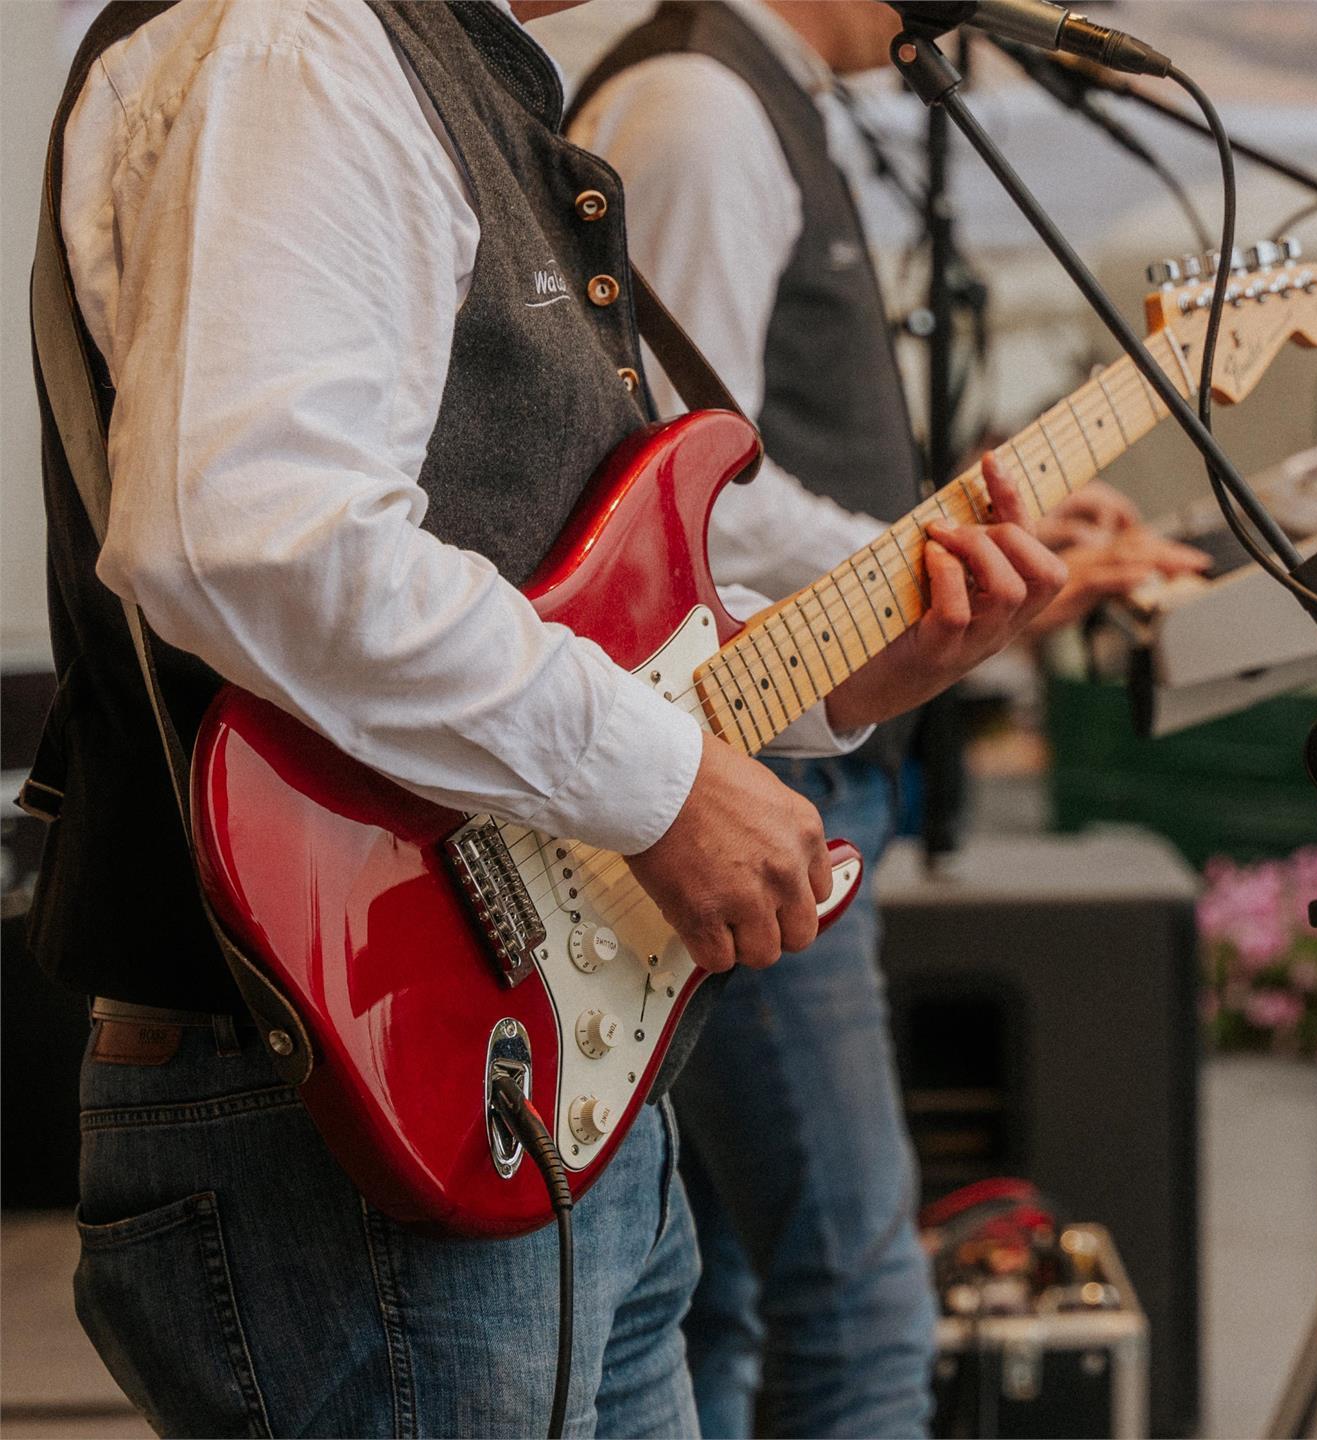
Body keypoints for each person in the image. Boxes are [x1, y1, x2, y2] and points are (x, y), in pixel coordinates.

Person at [30, 1, 1063, 1434]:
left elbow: (543, 567)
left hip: (532, 1096)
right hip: (352, 1101)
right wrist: (663, 786)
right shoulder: (299, 40)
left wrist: (835, 677)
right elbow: (251, 537)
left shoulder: (436, 62)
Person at [566, 5, 1207, 1433]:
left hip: (789, 753)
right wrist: (932, 559)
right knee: (856, 1300)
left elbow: (743, 445)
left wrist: (984, 540)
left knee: (723, 1291)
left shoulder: (763, 99)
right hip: (732, 780)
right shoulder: (700, 110)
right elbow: (679, 494)